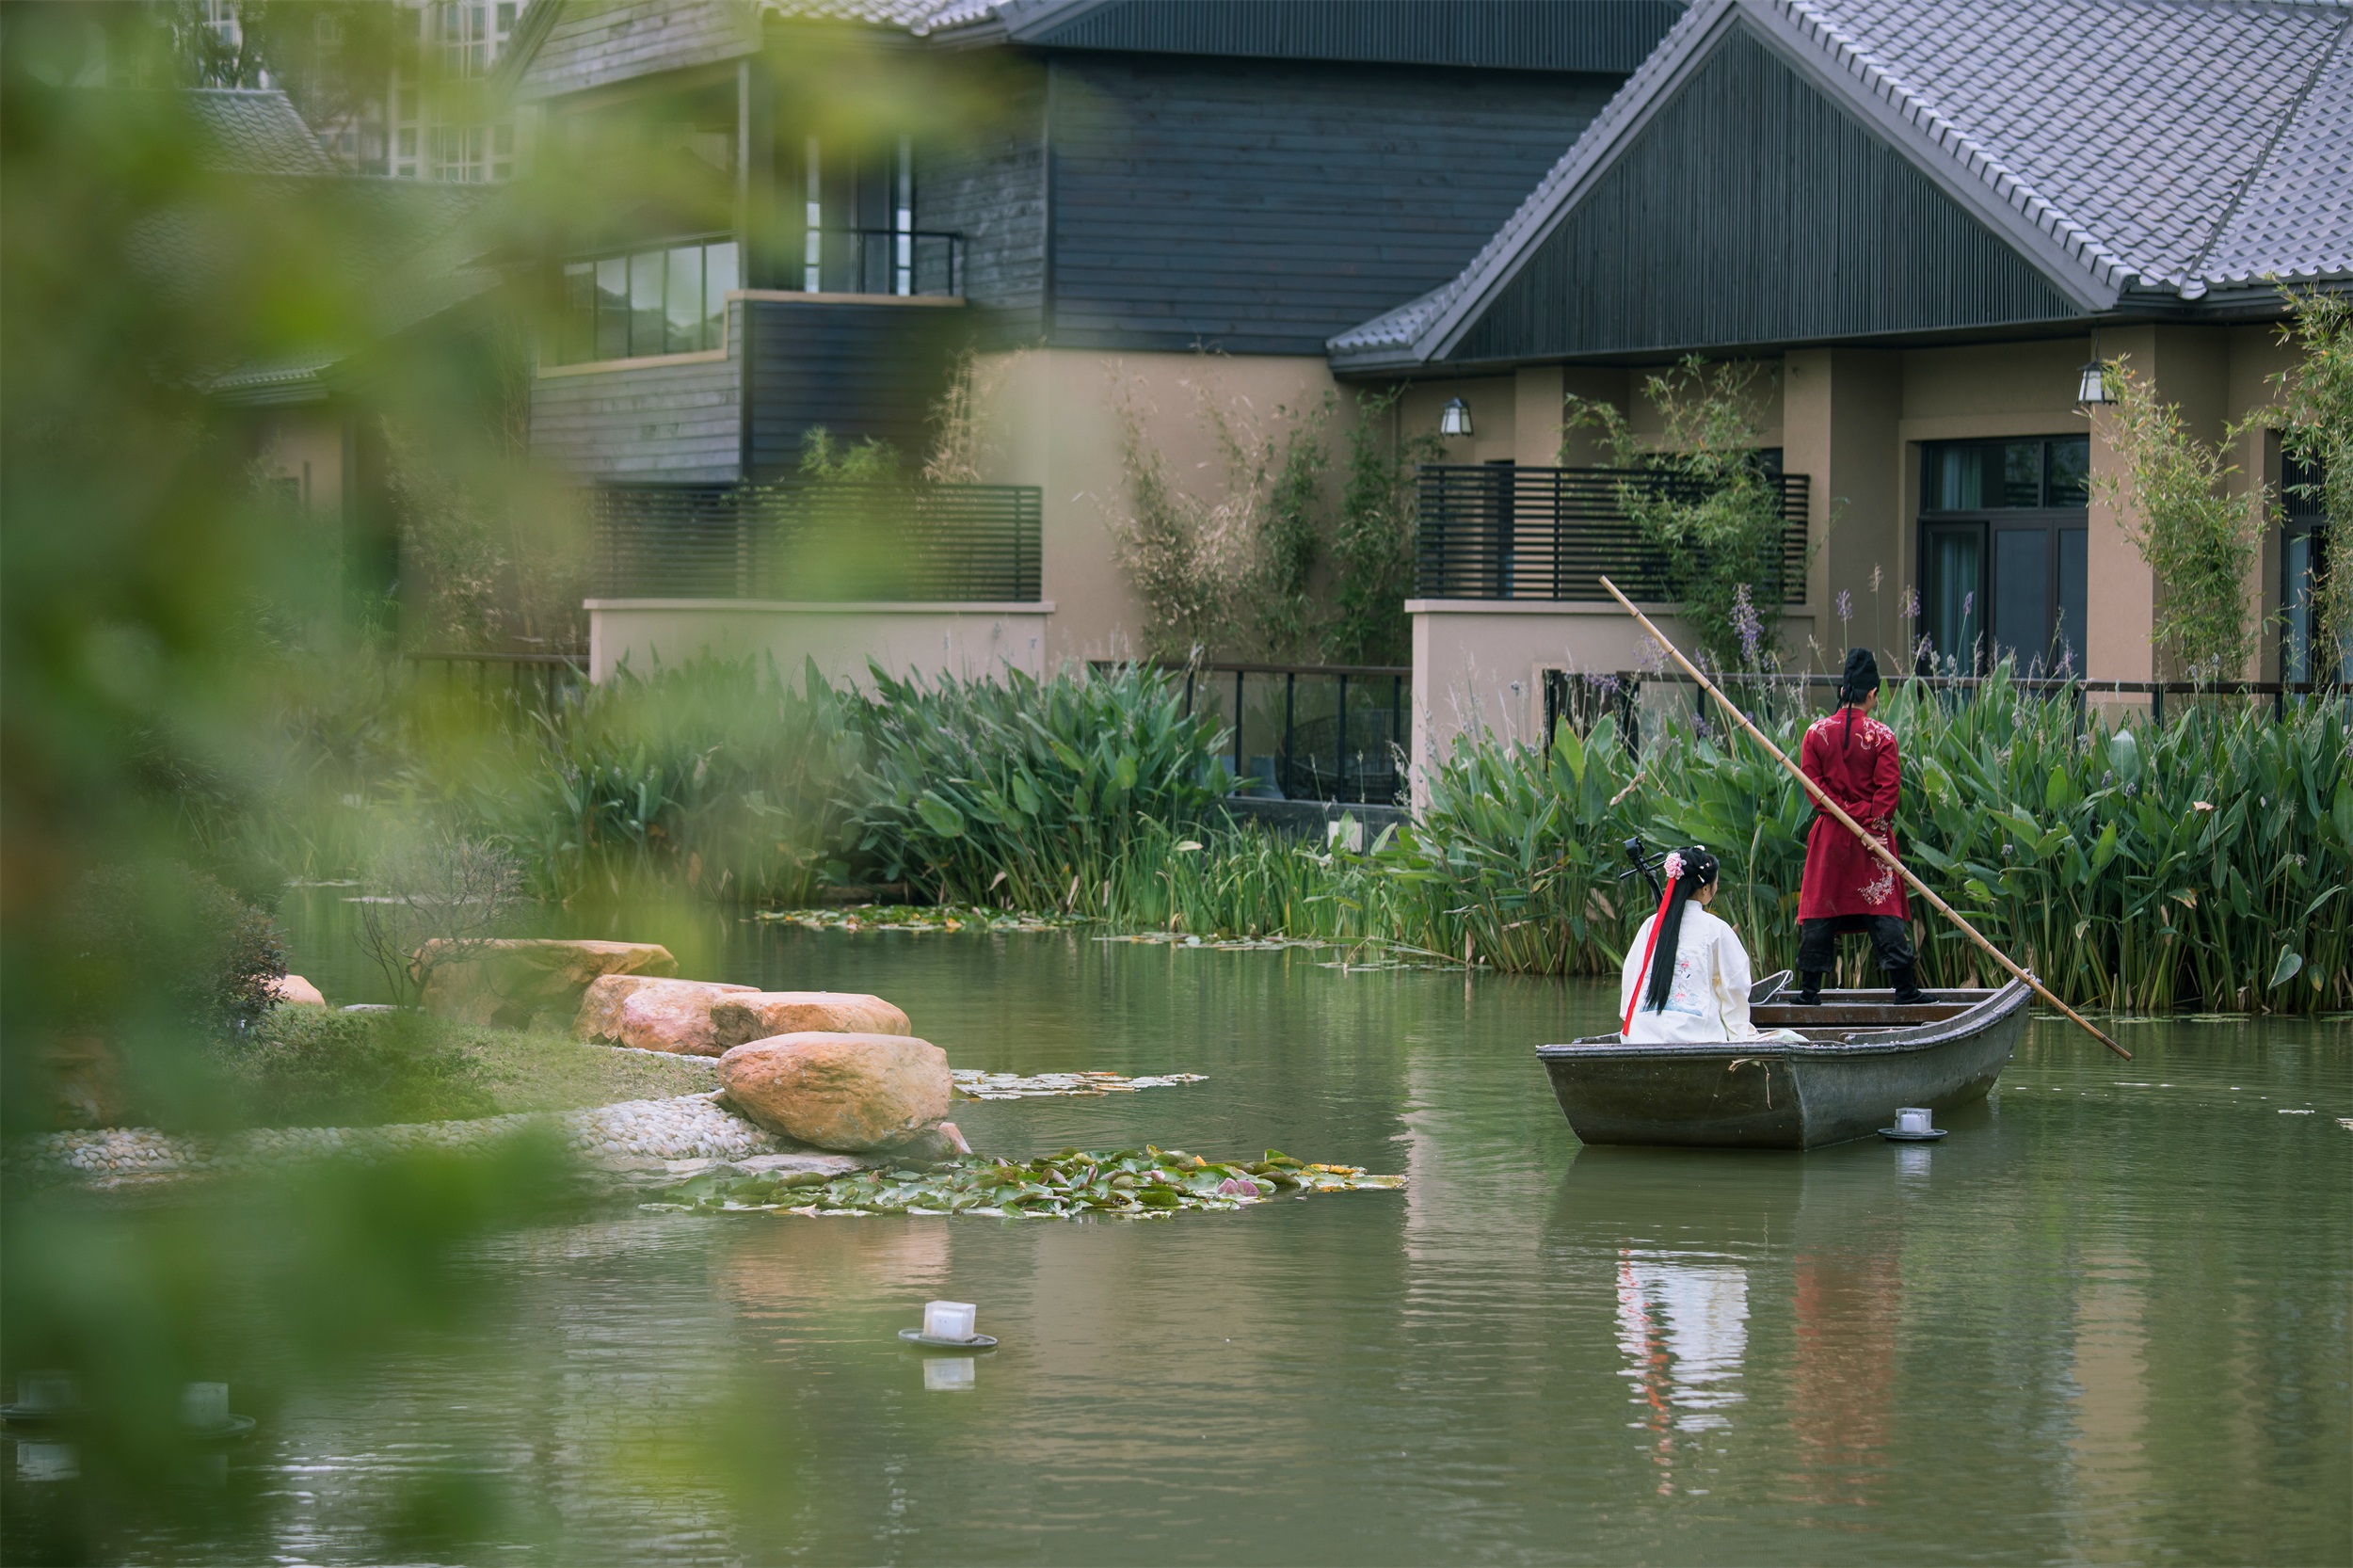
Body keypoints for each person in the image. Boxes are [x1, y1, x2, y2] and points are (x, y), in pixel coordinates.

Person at [1793, 648, 1930, 1005]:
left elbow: (1815, 791)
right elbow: (1888, 791)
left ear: (1842, 691)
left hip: (1831, 837)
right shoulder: (1882, 735)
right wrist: (1873, 826)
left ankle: (1809, 993)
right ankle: (1905, 991)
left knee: (1822, 909)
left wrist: (1844, 813)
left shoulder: (1814, 733)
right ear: (1873, 694)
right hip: (1874, 837)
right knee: (1883, 907)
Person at [1619, 847, 1805, 1044]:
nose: (1716, 887)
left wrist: (1633, 1024)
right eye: (1716, 883)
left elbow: (1631, 978)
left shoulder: (1651, 925)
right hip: (1695, 1036)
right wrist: (1737, 1034)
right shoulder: (1716, 928)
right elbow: (1734, 987)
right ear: (1705, 889)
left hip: (1642, 1034)